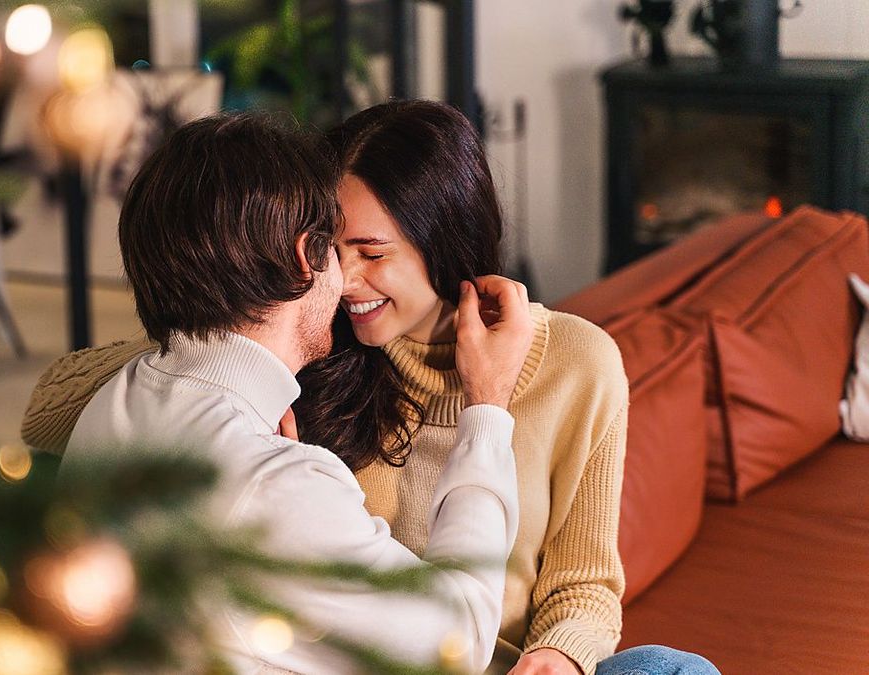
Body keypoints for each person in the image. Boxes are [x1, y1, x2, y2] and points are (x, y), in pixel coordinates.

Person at [57, 112, 536, 672]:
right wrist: (486, 407)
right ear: (305, 256)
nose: (348, 278)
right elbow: (458, 641)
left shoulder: (117, 398)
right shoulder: (275, 484)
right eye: (336, 247)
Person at [292, 100, 717, 675]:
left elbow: (584, 582)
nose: (342, 281)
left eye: (371, 253)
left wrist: (558, 655)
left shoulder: (578, 364)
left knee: (670, 669)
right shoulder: (309, 352)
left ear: (445, 238)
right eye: (329, 251)